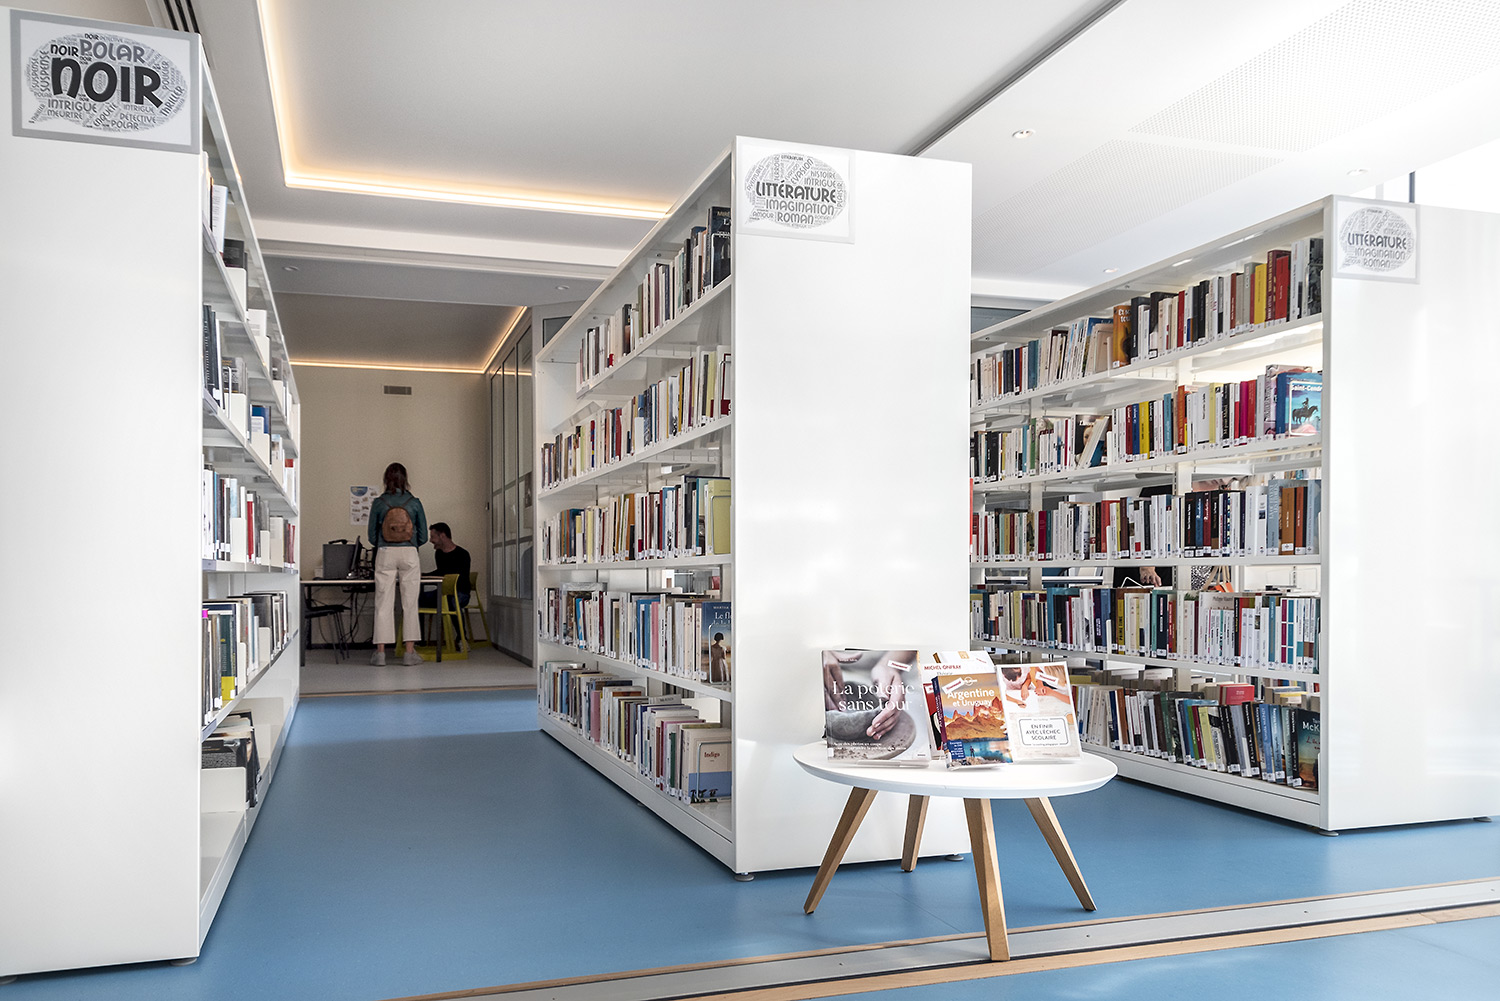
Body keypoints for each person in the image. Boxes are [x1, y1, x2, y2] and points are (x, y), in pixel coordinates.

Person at [368, 462, 428, 666]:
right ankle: (409, 653)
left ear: (386, 479)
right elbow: (424, 536)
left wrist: (384, 543)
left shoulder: (379, 503)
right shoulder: (415, 502)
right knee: (410, 603)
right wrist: (410, 544)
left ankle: (380, 654)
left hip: (385, 552)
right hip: (409, 553)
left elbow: (371, 537)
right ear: (405, 479)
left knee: (383, 602)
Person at [427, 523, 471, 610]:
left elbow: (445, 574)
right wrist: (424, 575)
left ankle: (457, 619)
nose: (430, 540)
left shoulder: (462, 554)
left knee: (452, 602)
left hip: (460, 592)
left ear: (442, 536)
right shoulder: (439, 553)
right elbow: (441, 572)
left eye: (432, 537)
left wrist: (425, 576)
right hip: (444, 592)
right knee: (418, 599)